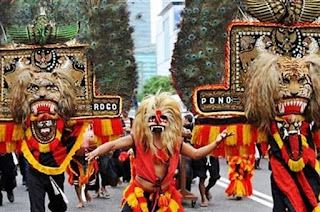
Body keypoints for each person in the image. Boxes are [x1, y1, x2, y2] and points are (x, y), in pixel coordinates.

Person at [86, 92, 233, 211]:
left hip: (165, 197)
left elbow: (196, 154)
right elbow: (112, 145)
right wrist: (95, 153)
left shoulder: (175, 143)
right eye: (152, 118)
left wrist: (216, 142)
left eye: (162, 117)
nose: (157, 121)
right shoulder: (139, 139)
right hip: (139, 195)